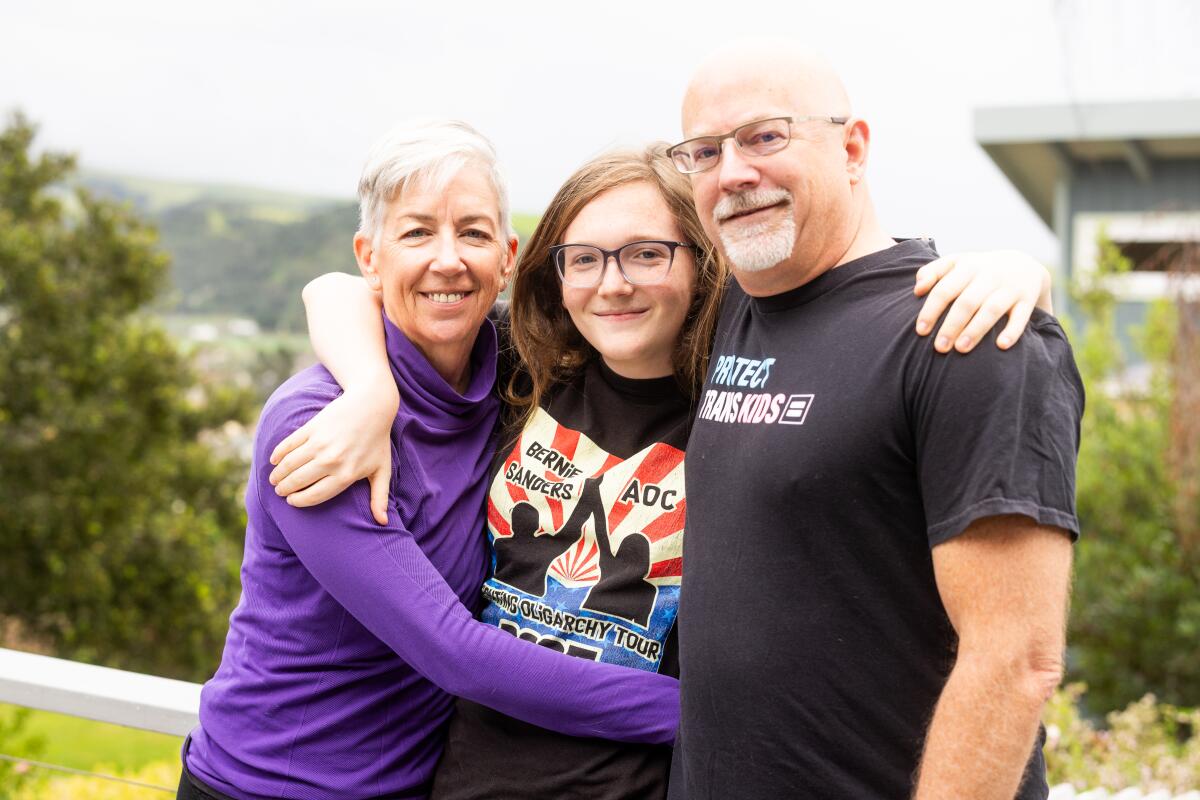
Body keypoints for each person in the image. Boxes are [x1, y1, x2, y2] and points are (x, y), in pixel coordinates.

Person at [270, 141, 1055, 798]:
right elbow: (343, 287)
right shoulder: (523, 366)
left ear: (701, 260)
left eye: (647, 253)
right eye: (584, 258)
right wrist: (372, 391)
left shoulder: (746, 391)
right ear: (553, 271)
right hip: (473, 780)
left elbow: (860, 321)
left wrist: (1019, 273)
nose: (613, 282)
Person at [177, 120, 680, 800]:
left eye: (472, 232)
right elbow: (454, 652)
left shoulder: (505, 364)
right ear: (370, 256)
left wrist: (374, 386)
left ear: (507, 256)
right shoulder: (319, 427)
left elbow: (331, 291)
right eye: (416, 233)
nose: (449, 259)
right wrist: (703, 715)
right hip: (272, 786)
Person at [666, 42, 1083, 799]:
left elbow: (1017, 659)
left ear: (852, 148)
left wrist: (1028, 276)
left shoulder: (966, 336)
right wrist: (368, 329)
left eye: (766, 136)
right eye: (705, 151)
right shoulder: (727, 312)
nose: (733, 173)